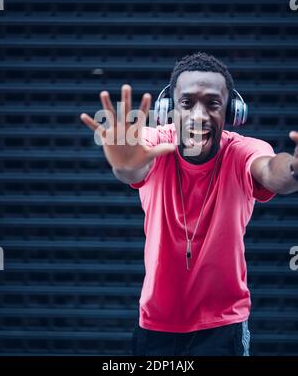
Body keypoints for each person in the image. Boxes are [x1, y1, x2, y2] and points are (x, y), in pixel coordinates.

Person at [80, 52, 298, 356]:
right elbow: (134, 164)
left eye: (212, 104)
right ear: (169, 108)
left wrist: (293, 170)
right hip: (156, 325)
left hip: (224, 328)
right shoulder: (154, 144)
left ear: (232, 111)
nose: (199, 115)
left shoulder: (244, 151)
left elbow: (272, 171)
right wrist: (123, 163)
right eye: (187, 103)